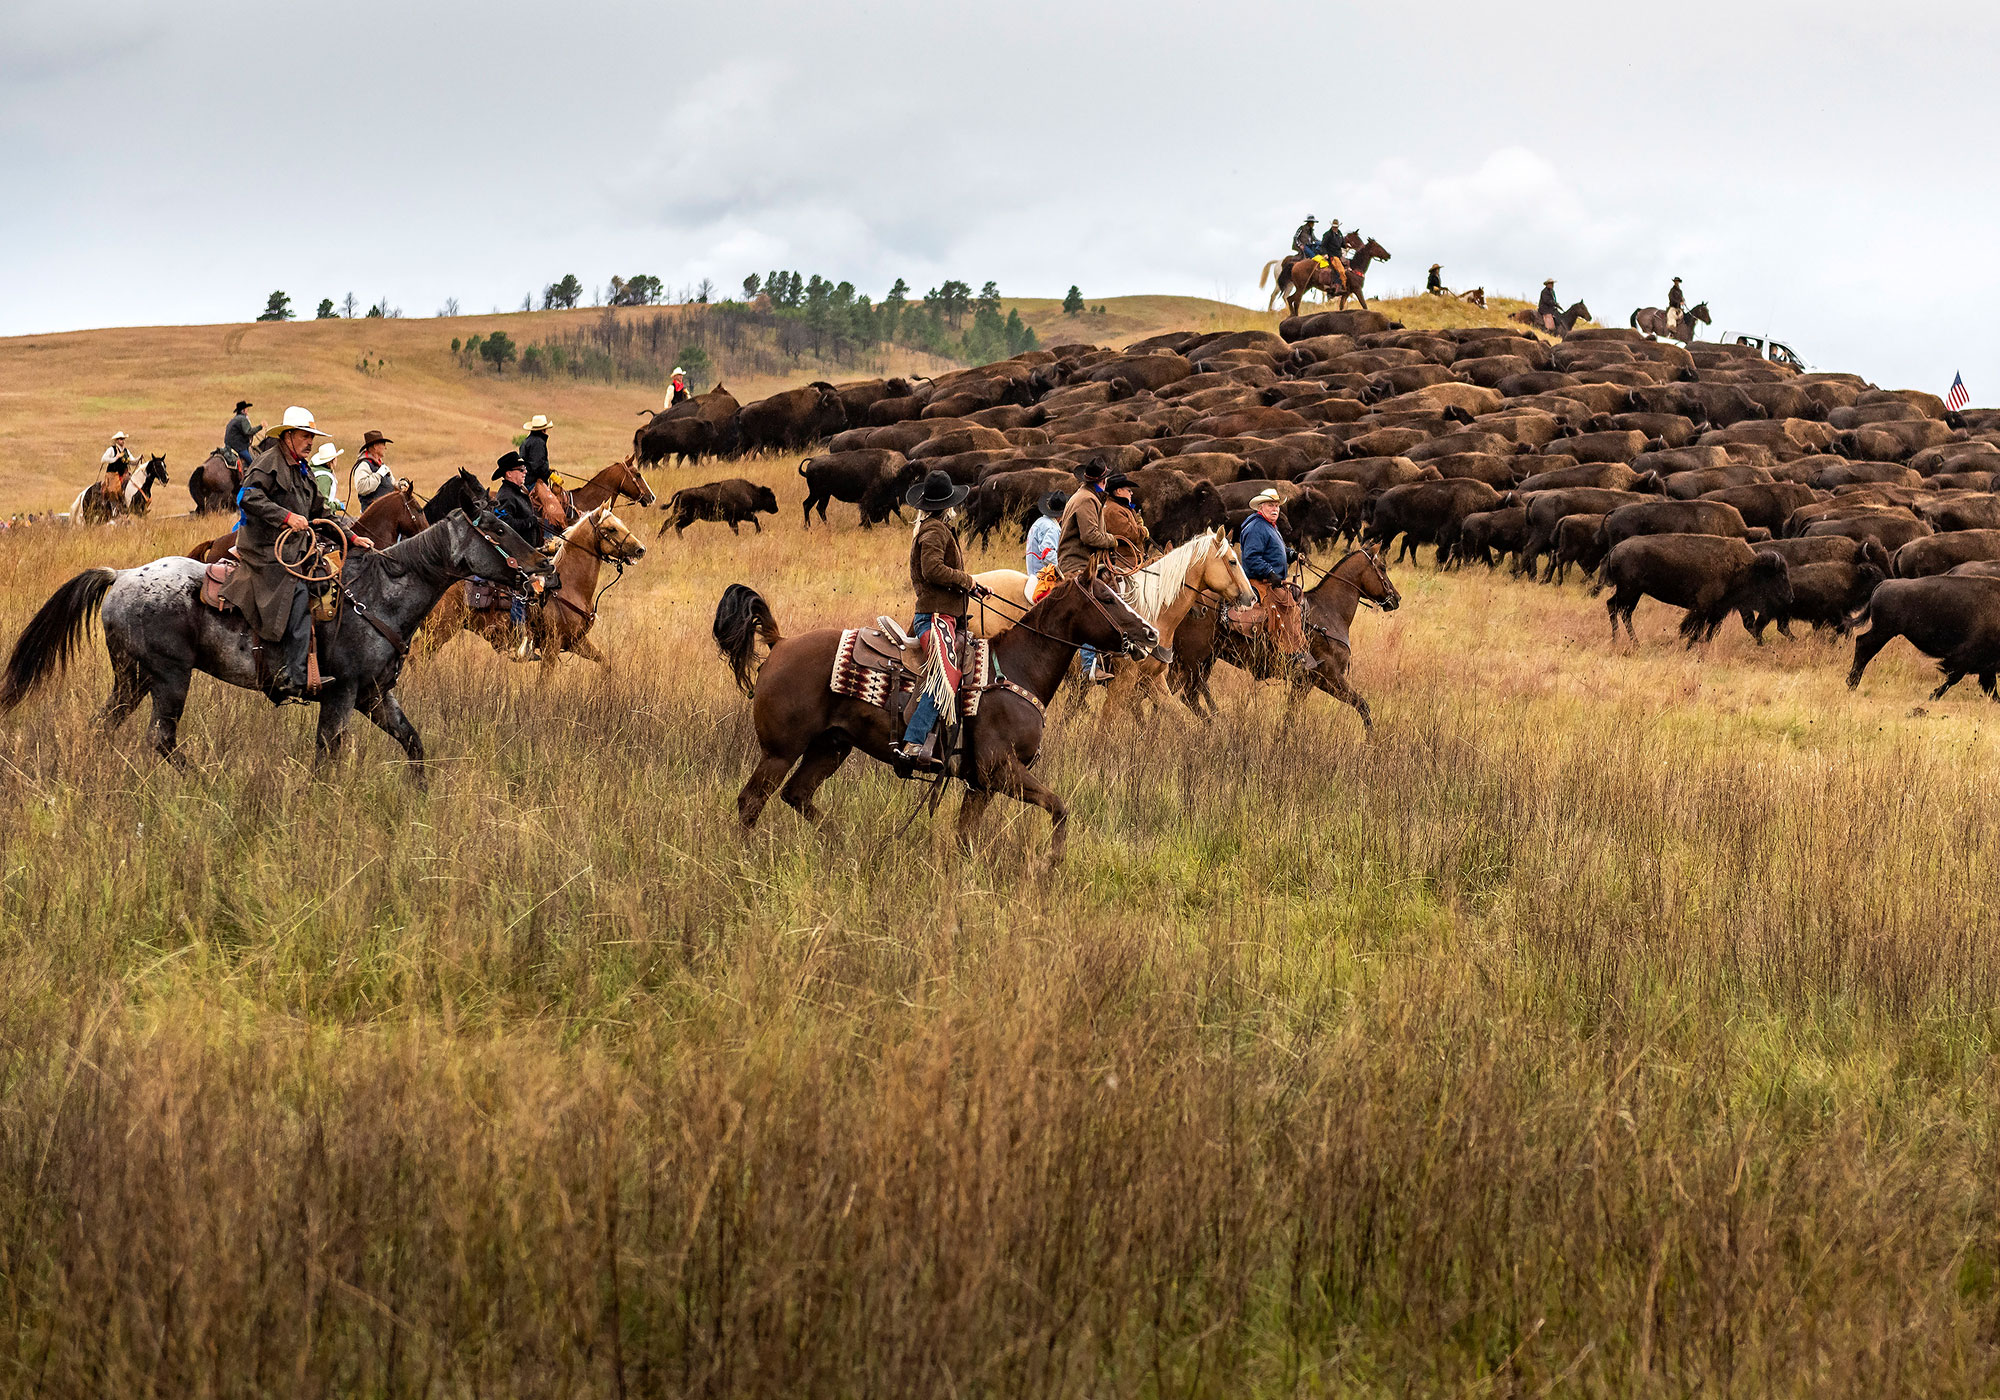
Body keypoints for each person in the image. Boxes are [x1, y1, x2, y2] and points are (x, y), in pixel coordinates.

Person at [219, 406, 372, 701]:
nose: (310, 442)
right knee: (298, 591)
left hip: (294, 547)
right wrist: (286, 517)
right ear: (287, 436)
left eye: (312, 437)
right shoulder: (268, 462)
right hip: (265, 549)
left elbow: (321, 512)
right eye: (305, 435)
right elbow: (247, 496)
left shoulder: (303, 470)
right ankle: (293, 675)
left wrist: (352, 537)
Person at [891, 470, 988, 769]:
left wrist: (972, 587)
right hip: (934, 618)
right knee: (945, 677)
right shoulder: (935, 530)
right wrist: (968, 580)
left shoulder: (935, 527)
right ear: (948, 504)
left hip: (944, 615)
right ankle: (913, 742)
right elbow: (932, 569)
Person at [1239, 489, 1315, 672]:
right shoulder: (1256, 527)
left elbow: (1275, 550)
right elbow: (1251, 557)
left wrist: (1292, 554)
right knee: (1288, 607)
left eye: (1277, 506)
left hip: (1271, 580)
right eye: (1270, 505)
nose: (1275, 509)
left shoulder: (1269, 525)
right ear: (1260, 507)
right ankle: (1292, 655)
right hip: (1260, 581)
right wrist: (1269, 572)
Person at [1058, 462, 1120, 680]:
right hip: (1077, 563)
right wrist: (1112, 540)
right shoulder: (1087, 500)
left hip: (1081, 560)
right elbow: (1089, 535)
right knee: (1089, 606)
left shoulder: (1084, 496)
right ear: (1102, 481)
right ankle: (1089, 665)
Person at [492, 451, 547, 660]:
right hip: (512, 554)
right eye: (520, 470)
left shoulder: (517, 492)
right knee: (522, 589)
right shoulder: (505, 496)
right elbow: (503, 526)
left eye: (524, 469)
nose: (525, 472)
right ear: (508, 474)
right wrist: (530, 522)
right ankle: (519, 639)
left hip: (526, 551)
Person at [1102, 473, 1148, 564]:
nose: (1131, 493)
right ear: (1119, 491)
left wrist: (1138, 524)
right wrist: (1144, 531)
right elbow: (1129, 534)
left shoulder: (1120, 506)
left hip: (1130, 559)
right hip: (1125, 562)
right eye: (1129, 490)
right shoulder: (1114, 510)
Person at [350, 430, 397, 510]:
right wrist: (378, 475)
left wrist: (399, 485)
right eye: (383, 444)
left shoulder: (381, 465)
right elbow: (362, 487)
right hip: (373, 514)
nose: (385, 448)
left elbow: (390, 484)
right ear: (375, 446)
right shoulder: (363, 465)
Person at [1025, 490, 1064, 582]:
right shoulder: (1052, 528)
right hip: (1043, 576)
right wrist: (1062, 570)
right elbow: (1048, 555)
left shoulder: (1039, 522)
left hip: (1032, 572)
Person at [308, 442, 346, 512]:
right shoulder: (324, 477)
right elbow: (323, 504)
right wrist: (337, 506)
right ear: (333, 460)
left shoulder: (315, 471)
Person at [100, 431, 136, 503]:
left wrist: (138, 459)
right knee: (113, 490)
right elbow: (103, 459)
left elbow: (132, 461)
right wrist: (115, 458)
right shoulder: (111, 449)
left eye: (123, 439)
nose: (123, 441)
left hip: (124, 474)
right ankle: (114, 505)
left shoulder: (126, 451)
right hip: (113, 474)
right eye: (121, 439)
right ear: (117, 440)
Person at [223, 400, 261, 467]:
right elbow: (248, 432)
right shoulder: (243, 419)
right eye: (246, 409)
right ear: (243, 411)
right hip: (238, 446)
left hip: (229, 445)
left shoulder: (235, 419)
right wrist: (260, 427)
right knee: (252, 463)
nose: (247, 411)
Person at [519, 414, 553, 484]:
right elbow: (537, 465)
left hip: (526, 479)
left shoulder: (527, 440)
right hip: (533, 481)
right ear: (543, 429)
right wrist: (548, 474)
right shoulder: (538, 442)